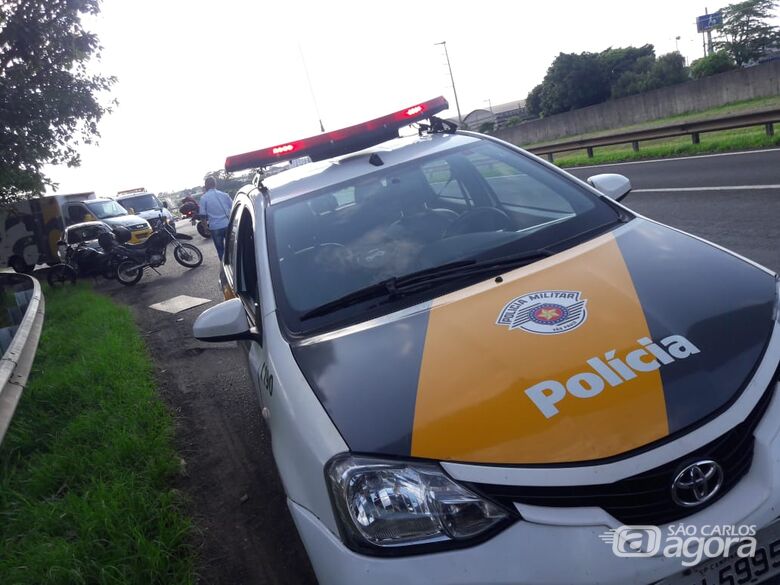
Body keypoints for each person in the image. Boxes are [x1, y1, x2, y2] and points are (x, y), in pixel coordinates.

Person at [199, 177, 233, 261]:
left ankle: (225, 267)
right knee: (232, 248)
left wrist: (205, 227)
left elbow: (202, 215)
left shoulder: (204, 198)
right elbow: (233, 207)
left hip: (215, 227)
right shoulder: (224, 195)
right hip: (227, 224)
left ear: (206, 185)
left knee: (220, 250)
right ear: (215, 184)